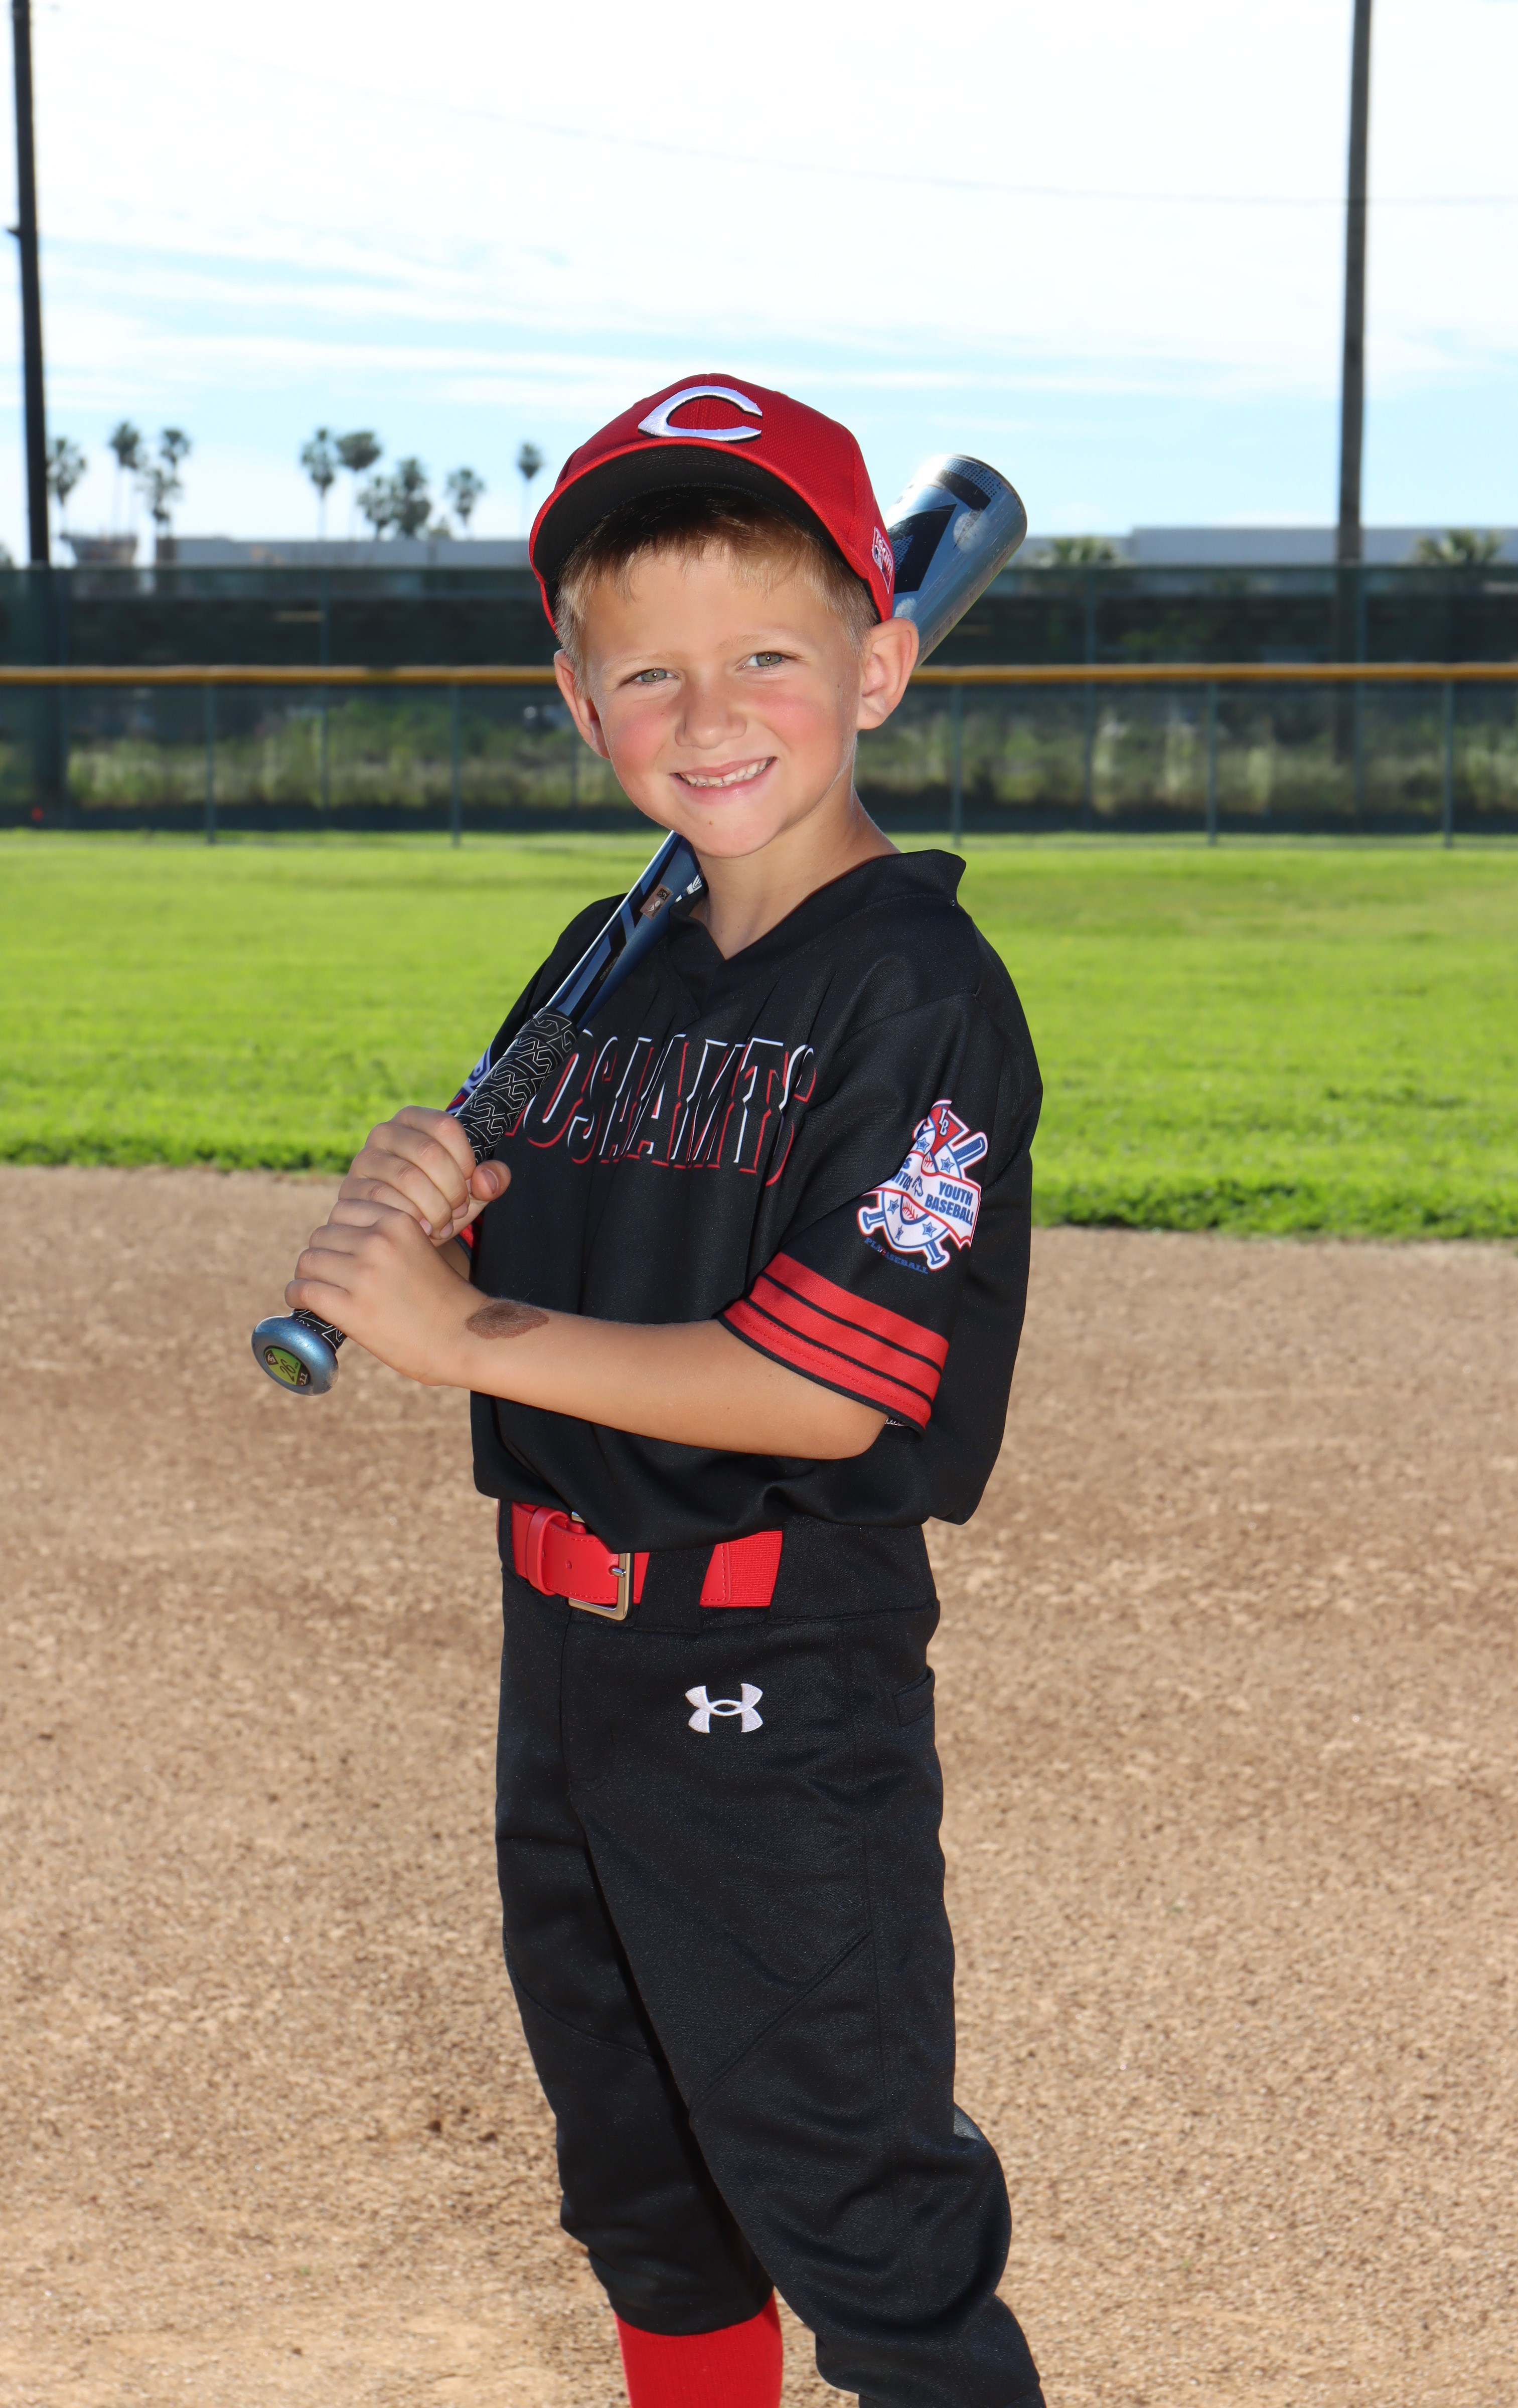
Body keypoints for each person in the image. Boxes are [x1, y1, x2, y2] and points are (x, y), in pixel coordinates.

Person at [286, 375, 1044, 2408]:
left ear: (879, 667)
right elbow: (552, 1257)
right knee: (644, 2184)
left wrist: (460, 1338)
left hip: (774, 1679)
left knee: (854, 2204)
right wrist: (438, 1213)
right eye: (648, 675)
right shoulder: (602, 962)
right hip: (565, 1660)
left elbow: (823, 1388)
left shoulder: (914, 994)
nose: (709, 717)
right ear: (577, 701)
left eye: (768, 658)